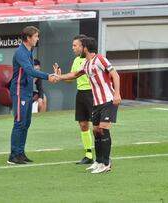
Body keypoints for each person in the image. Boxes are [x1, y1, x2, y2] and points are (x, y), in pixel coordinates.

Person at [54, 37, 121, 174]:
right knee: (96, 131)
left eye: (78, 46)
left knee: (103, 130)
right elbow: (75, 74)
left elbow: (115, 75)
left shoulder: (100, 59)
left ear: (85, 47)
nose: (76, 49)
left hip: (108, 100)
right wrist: (59, 77)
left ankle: (106, 163)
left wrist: (117, 94)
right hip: (96, 103)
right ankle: (99, 161)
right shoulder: (86, 63)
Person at [8, 26, 57, 164]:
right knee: (19, 123)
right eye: (35, 36)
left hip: (27, 91)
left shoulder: (29, 50)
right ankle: (13, 156)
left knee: (26, 123)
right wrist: (49, 76)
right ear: (28, 38)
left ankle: (20, 153)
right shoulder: (20, 52)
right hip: (19, 91)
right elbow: (30, 70)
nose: (37, 39)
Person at [65, 34, 94, 164]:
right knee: (83, 124)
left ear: (83, 47)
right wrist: (60, 76)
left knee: (98, 126)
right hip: (81, 94)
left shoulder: (92, 59)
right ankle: (88, 154)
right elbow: (71, 79)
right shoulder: (76, 60)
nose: (73, 48)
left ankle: (103, 155)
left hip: (92, 94)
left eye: (75, 45)